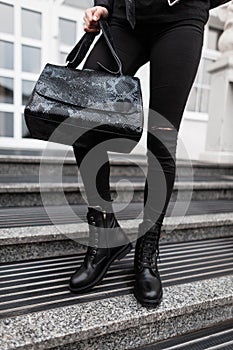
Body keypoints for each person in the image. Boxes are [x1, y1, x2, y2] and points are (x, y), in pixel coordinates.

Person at [68, 0, 230, 307]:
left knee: (162, 140)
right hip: (124, 17)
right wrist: (102, 4)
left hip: (180, 19)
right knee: (82, 119)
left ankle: (146, 252)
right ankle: (105, 237)